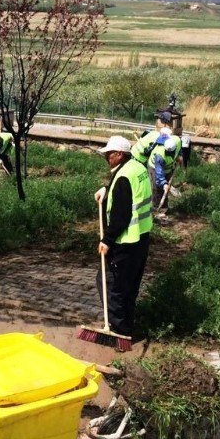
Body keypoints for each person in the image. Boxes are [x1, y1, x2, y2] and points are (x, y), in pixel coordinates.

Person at [93, 136, 153, 341]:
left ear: (120, 155)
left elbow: (120, 216)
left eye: (109, 154)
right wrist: (107, 190)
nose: (106, 158)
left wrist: (107, 240)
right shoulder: (138, 168)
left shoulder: (123, 177)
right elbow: (127, 192)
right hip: (142, 240)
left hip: (125, 243)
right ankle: (127, 325)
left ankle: (118, 332)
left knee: (111, 285)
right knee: (129, 286)